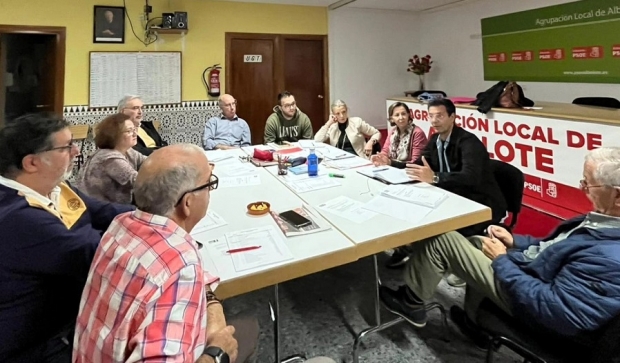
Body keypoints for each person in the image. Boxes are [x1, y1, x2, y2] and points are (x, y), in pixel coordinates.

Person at [379, 147, 620, 349]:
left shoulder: (610, 258)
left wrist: (502, 261)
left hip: (535, 310)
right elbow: (553, 247)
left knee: (444, 240)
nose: (582, 189)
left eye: (589, 184)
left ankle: (411, 302)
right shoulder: (603, 221)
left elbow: (556, 312)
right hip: (534, 274)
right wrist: (515, 242)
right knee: (476, 243)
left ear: (617, 196)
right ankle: (476, 324)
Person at [0, 113, 133, 363]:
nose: (75, 152)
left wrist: (156, 213)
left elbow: (104, 212)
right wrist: (160, 226)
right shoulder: (16, 216)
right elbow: (98, 252)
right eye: (66, 147)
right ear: (32, 163)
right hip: (38, 346)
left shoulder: (54, 187)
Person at [384, 98, 505, 270]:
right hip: (452, 195)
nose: (434, 121)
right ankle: (409, 247)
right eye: (431, 116)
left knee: (430, 221)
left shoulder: (469, 142)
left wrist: (435, 178)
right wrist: (390, 163)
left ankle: (449, 260)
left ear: (452, 117)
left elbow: (470, 177)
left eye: (439, 116)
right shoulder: (435, 140)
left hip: (479, 202)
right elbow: (419, 163)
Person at [76, 113, 146, 204]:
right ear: (114, 134)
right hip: (99, 210)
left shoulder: (128, 151)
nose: (135, 134)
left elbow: (149, 162)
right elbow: (137, 181)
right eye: (129, 131)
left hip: (115, 207)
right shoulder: (109, 157)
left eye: (135, 129)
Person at [314, 99, 380, 158]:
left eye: (344, 112)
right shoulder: (332, 126)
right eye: (338, 113)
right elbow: (317, 140)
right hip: (338, 159)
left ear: (347, 110)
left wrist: (370, 142)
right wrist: (328, 123)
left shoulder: (357, 122)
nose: (342, 116)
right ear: (333, 114)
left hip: (357, 159)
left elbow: (377, 133)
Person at [370, 101, 428, 167]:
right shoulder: (393, 132)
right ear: (392, 119)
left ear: (408, 115)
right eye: (397, 115)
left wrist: (391, 163)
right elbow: (385, 152)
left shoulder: (417, 133)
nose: (401, 117)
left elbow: (416, 162)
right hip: (394, 168)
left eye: (403, 114)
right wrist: (379, 158)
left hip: (410, 171)